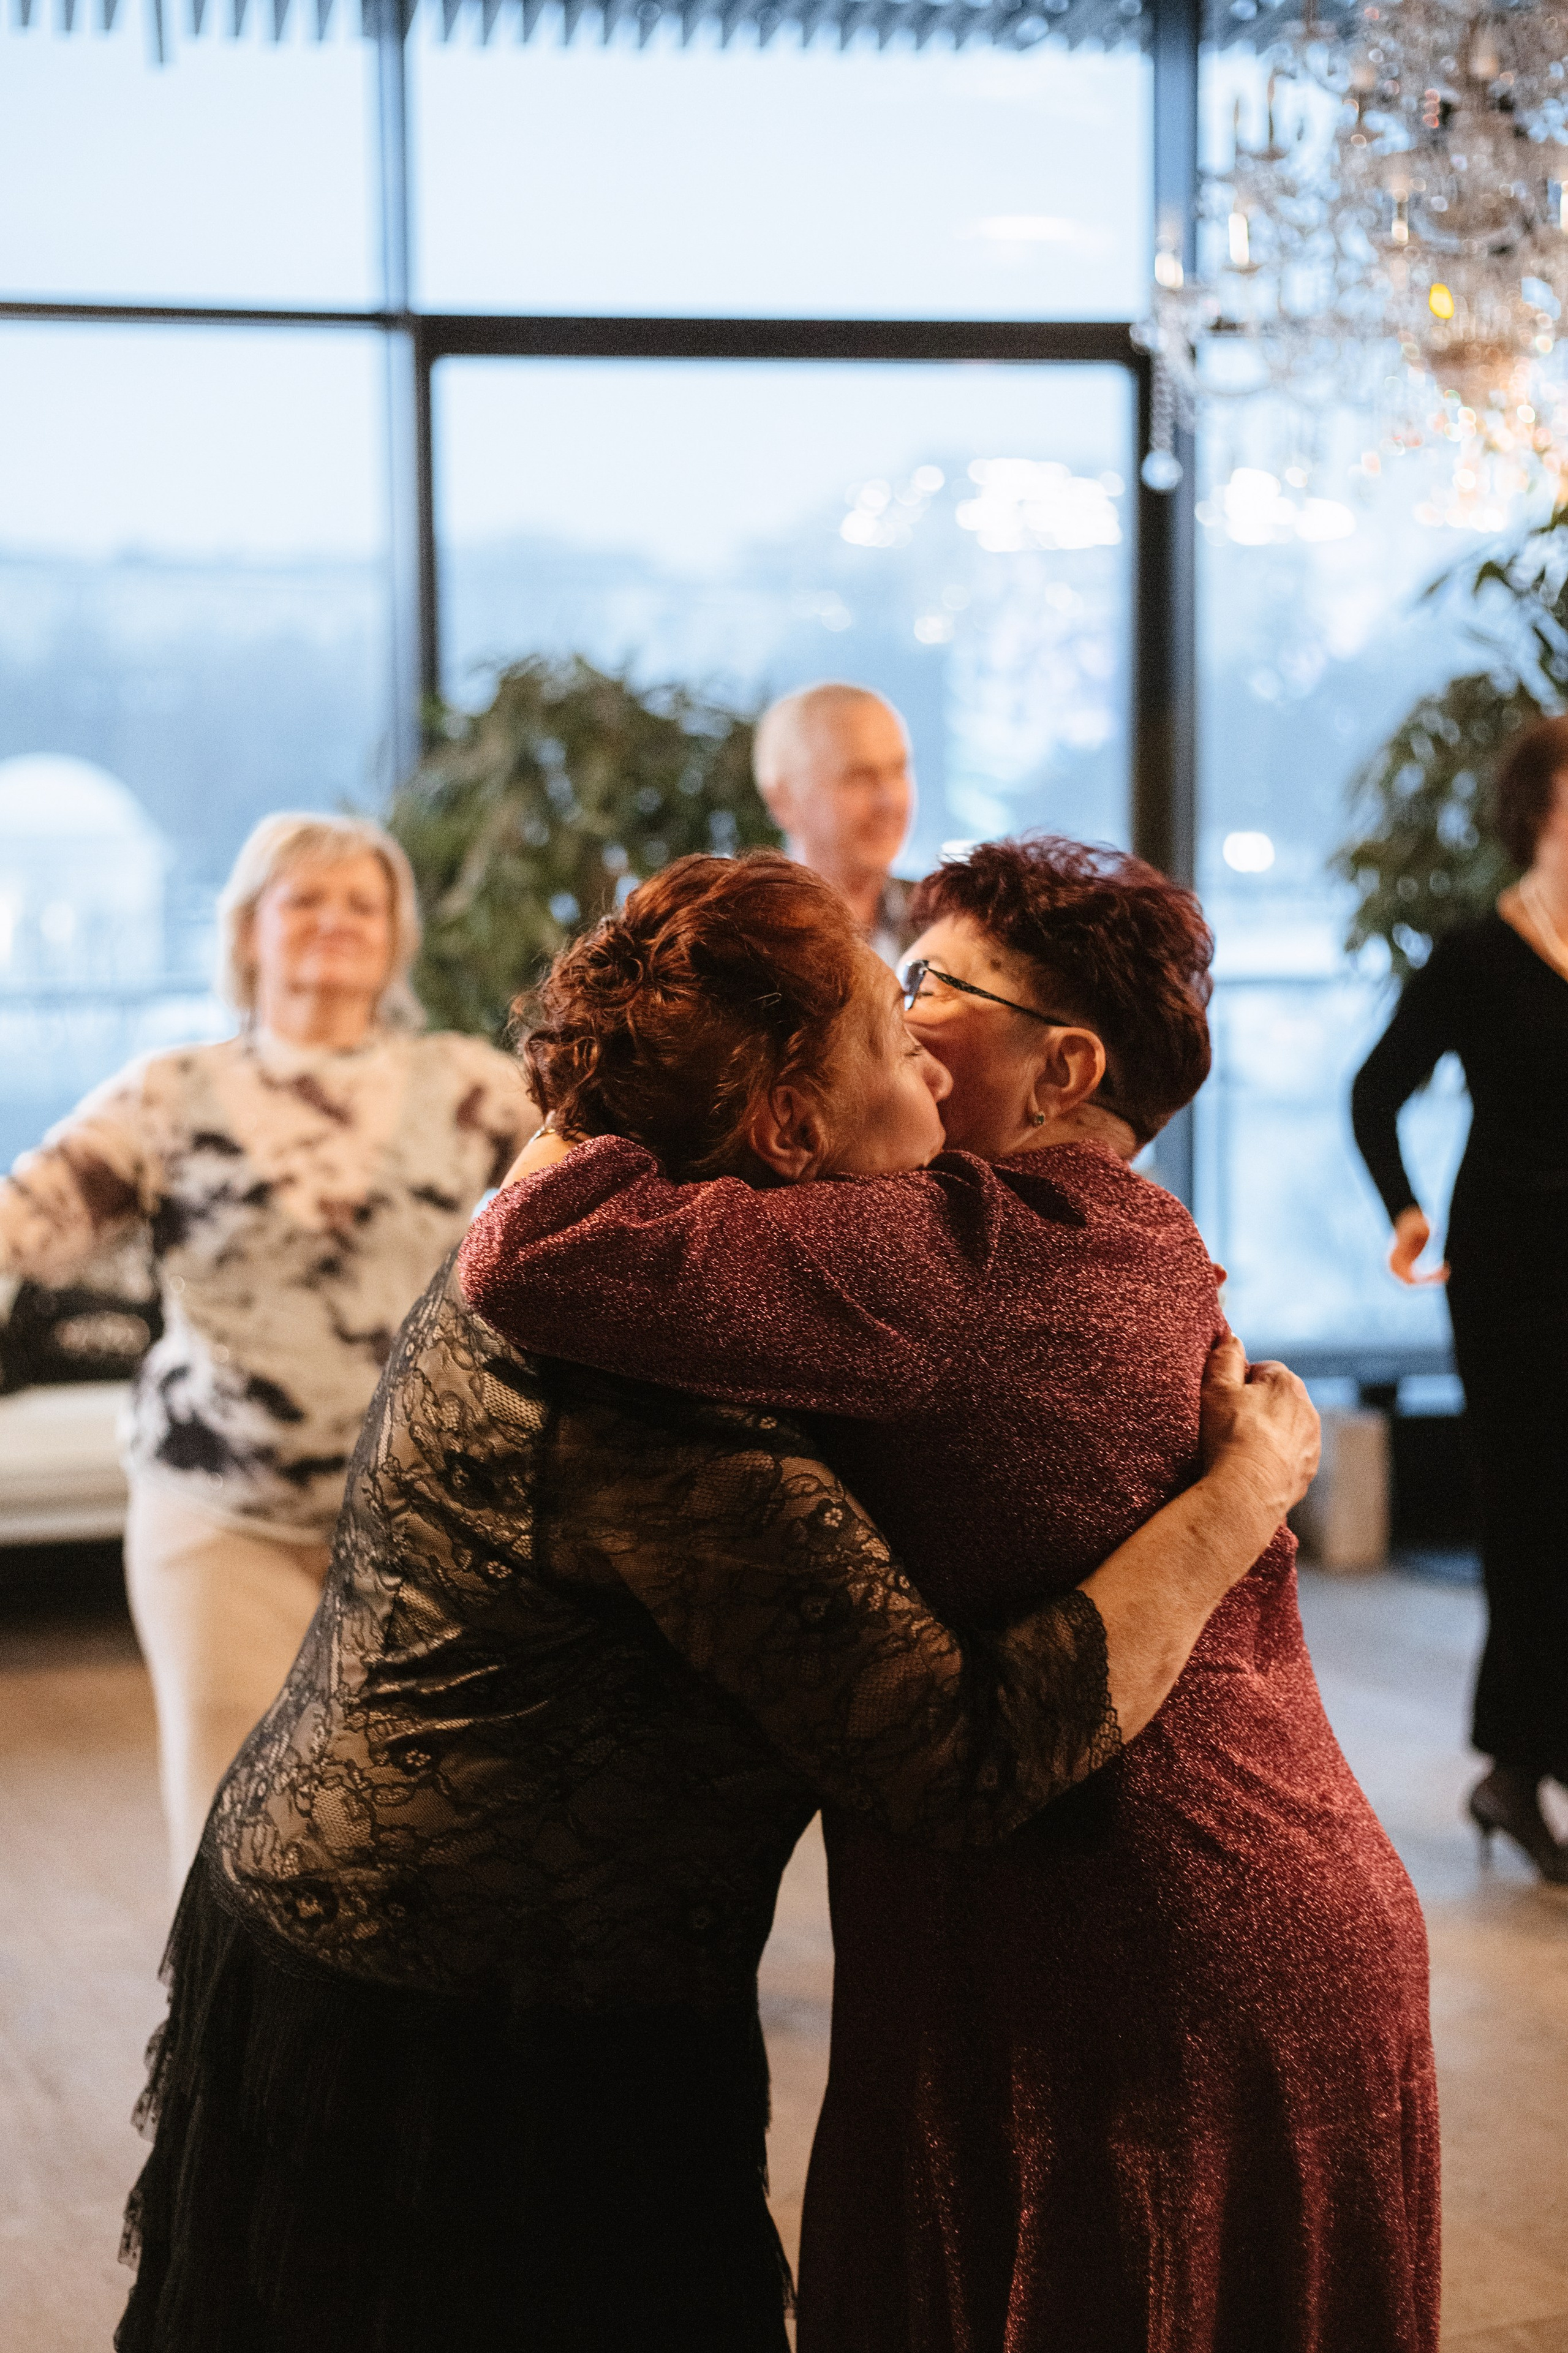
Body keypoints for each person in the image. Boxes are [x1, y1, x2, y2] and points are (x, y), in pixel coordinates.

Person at [116, 853, 1319, 2353]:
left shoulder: (662, 1241)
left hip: (398, 1932)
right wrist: (1240, 1494)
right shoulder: (664, 1401)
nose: (927, 1059)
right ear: (791, 1127)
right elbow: (962, 1753)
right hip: (460, 2024)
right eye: (891, 1024)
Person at [464, 838, 1439, 2353]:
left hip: (1124, 1945)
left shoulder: (964, 1245)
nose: (894, 1012)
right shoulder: (1140, 1233)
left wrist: (618, 1038)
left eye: (927, 983)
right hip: (1284, 1914)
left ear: (1064, 1067)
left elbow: (535, 1247)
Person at [0, 812, 535, 1883]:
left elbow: (610, 1196)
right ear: (249, 929)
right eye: (305, 900)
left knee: (408, 1839)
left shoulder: (468, 1084)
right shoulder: (167, 1093)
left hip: (415, 1522)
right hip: (218, 1522)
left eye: (361, 903)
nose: (335, 921)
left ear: (396, 936)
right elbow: (26, 1219)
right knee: (236, 1835)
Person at [1352, 713, 1568, 1885]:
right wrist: (1404, 1211)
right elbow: (1376, 1091)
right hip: (1514, 1270)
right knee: (1532, 1510)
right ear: (1538, 816)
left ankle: (1518, 1762)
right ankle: (1521, 1768)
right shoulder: (1476, 959)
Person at [753, 681, 917, 961]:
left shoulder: (955, 925)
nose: (888, 801)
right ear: (783, 800)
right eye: (859, 777)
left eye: (898, 771)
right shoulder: (745, 946)